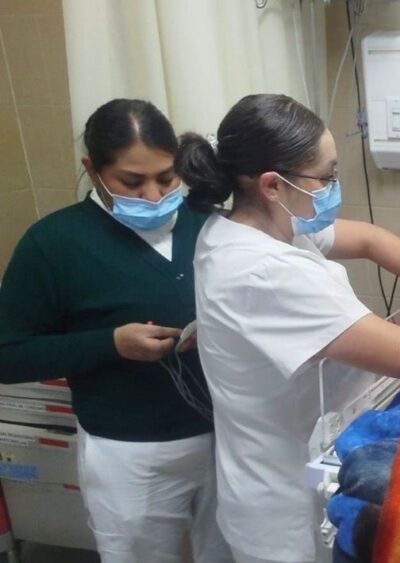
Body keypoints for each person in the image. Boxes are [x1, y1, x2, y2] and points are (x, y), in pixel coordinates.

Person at [176, 93, 400, 563]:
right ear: (272, 185)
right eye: (325, 177)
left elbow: (369, 239)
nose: (332, 188)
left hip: (300, 466)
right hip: (285, 508)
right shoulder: (262, 270)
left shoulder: (260, 225)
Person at [0, 100, 231, 563]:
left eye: (166, 178)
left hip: (227, 438)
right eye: (132, 182)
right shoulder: (55, 244)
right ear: (93, 169)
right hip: (130, 451)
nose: (153, 196)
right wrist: (109, 344)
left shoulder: (207, 222)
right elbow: (9, 355)